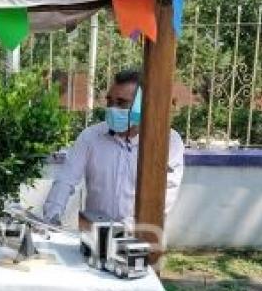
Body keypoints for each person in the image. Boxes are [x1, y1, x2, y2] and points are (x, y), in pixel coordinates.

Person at [43, 69, 185, 226]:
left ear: (142, 106)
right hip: (94, 234)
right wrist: (52, 217)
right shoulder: (90, 137)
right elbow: (65, 179)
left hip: (141, 236)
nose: (112, 108)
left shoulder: (168, 141)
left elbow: (166, 193)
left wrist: (127, 228)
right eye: (109, 101)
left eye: (121, 103)